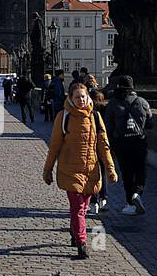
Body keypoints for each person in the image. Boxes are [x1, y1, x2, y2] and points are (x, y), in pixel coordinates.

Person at [43, 82, 118, 259]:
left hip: (91, 170)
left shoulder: (96, 117)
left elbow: (103, 146)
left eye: (83, 96)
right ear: (70, 98)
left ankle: (74, 231)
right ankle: (82, 242)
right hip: (70, 169)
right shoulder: (63, 117)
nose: (81, 100)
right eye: (77, 97)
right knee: (77, 207)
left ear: (88, 97)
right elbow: (54, 146)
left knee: (82, 209)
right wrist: (47, 170)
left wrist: (110, 169)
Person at [107, 75, 153, 215]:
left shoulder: (113, 103)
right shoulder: (142, 102)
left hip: (122, 144)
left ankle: (130, 202)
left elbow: (108, 126)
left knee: (127, 173)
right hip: (139, 142)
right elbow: (151, 124)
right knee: (140, 170)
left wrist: (110, 146)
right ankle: (137, 193)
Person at [91, 89, 111, 213]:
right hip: (103, 145)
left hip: (91, 146)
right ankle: (103, 198)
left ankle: (93, 201)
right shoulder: (106, 110)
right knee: (102, 173)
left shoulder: (89, 112)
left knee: (91, 174)